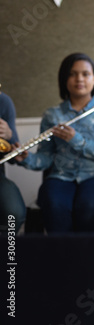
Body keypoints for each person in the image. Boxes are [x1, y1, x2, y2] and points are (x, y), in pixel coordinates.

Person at [16, 53, 94, 234]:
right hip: (61, 176)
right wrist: (27, 158)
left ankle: (88, 260)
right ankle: (61, 259)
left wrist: (77, 140)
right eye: (73, 74)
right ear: (64, 79)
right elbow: (46, 157)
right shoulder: (52, 115)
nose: (79, 79)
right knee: (54, 204)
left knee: (89, 206)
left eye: (85, 74)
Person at [0, 88, 26, 235]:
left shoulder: (3, 102)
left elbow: (13, 159)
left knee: (14, 212)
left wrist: (9, 135)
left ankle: (7, 255)